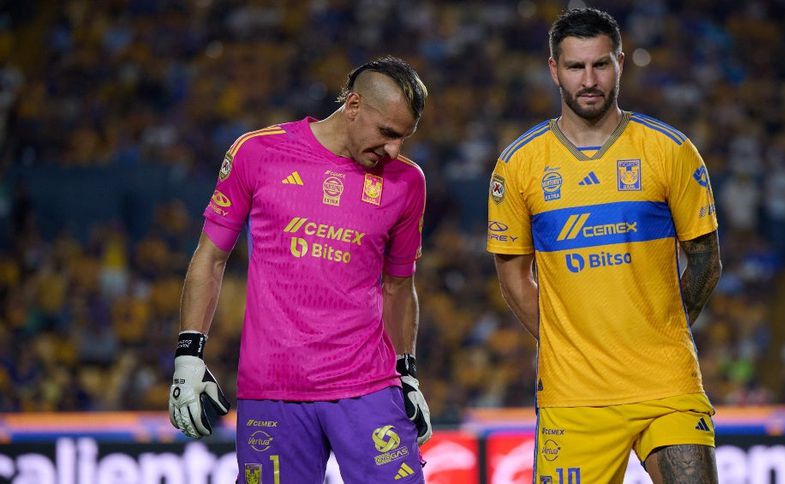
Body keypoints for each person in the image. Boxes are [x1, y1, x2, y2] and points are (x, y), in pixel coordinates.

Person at [168, 56, 431, 484]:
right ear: (353, 105)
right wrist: (189, 355)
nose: (394, 150)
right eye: (387, 133)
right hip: (272, 387)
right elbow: (210, 257)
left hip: (367, 385)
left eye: (403, 138)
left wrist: (408, 372)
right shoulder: (257, 152)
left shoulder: (407, 182)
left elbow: (399, 286)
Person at [487, 8, 721, 484]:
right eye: (576, 67)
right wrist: (569, 343)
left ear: (620, 64)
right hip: (574, 395)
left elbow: (706, 261)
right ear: (555, 70)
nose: (589, 80)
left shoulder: (669, 150)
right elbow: (513, 276)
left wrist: (659, 330)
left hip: (666, 381)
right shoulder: (519, 164)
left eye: (600, 64)